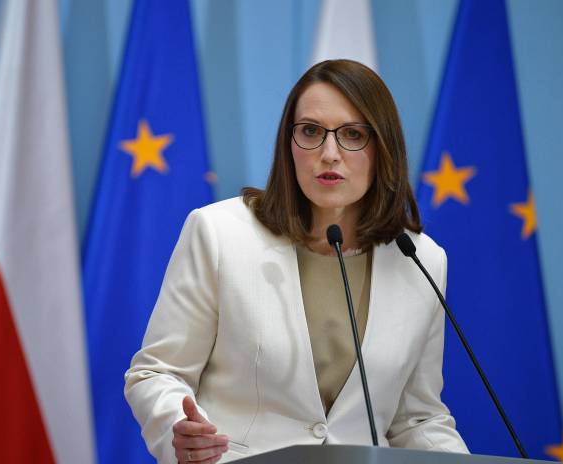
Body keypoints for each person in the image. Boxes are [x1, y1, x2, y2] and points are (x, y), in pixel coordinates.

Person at [125, 59, 468, 463]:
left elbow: (416, 419)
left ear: (383, 147)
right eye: (310, 131)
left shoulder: (422, 260)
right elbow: (158, 372)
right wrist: (179, 431)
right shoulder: (219, 234)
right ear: (288, 144)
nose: (329, 154)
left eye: (353, 134)